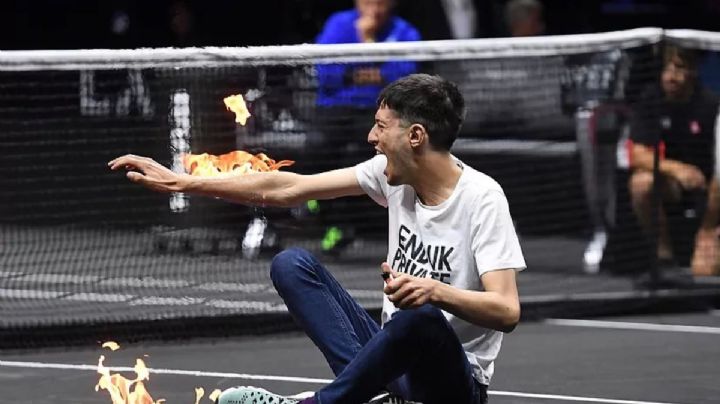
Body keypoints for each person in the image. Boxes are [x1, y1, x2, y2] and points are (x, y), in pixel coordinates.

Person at [109, 73, 525, 404]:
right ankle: (373, 396)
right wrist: (183, 183)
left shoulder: (482, 199)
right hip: (392, 368)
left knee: (419, 320)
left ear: (415, 136)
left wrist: (434, 292)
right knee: (292, 265)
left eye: (381, 127)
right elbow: (287, 187)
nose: (371, 138)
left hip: (451, 384)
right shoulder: (389, 175)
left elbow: (506, 311)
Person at [307, 0, 421, 254]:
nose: (376, 9)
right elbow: (326, 74)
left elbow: (404, 77)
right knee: (316, 145)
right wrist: (373, 65)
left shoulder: (405, 32)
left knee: (364, 158)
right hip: (334, 109)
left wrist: (365, 48)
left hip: (381, 110)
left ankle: (342, 224)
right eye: (371, 2)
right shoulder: (339, 25)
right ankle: (320, 208)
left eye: (382, 3)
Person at [628, 45, 720, 277]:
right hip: (674, 183)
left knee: (705, 272)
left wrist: (708, 229)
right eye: (666, 69)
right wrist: (678, 169)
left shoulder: (710, 105)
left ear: (693, 71)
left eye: (678, 68)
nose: (671, 76)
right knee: (641, 184)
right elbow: (637, 154)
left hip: (711, 191)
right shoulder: (651, 99)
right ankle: (664, 255)